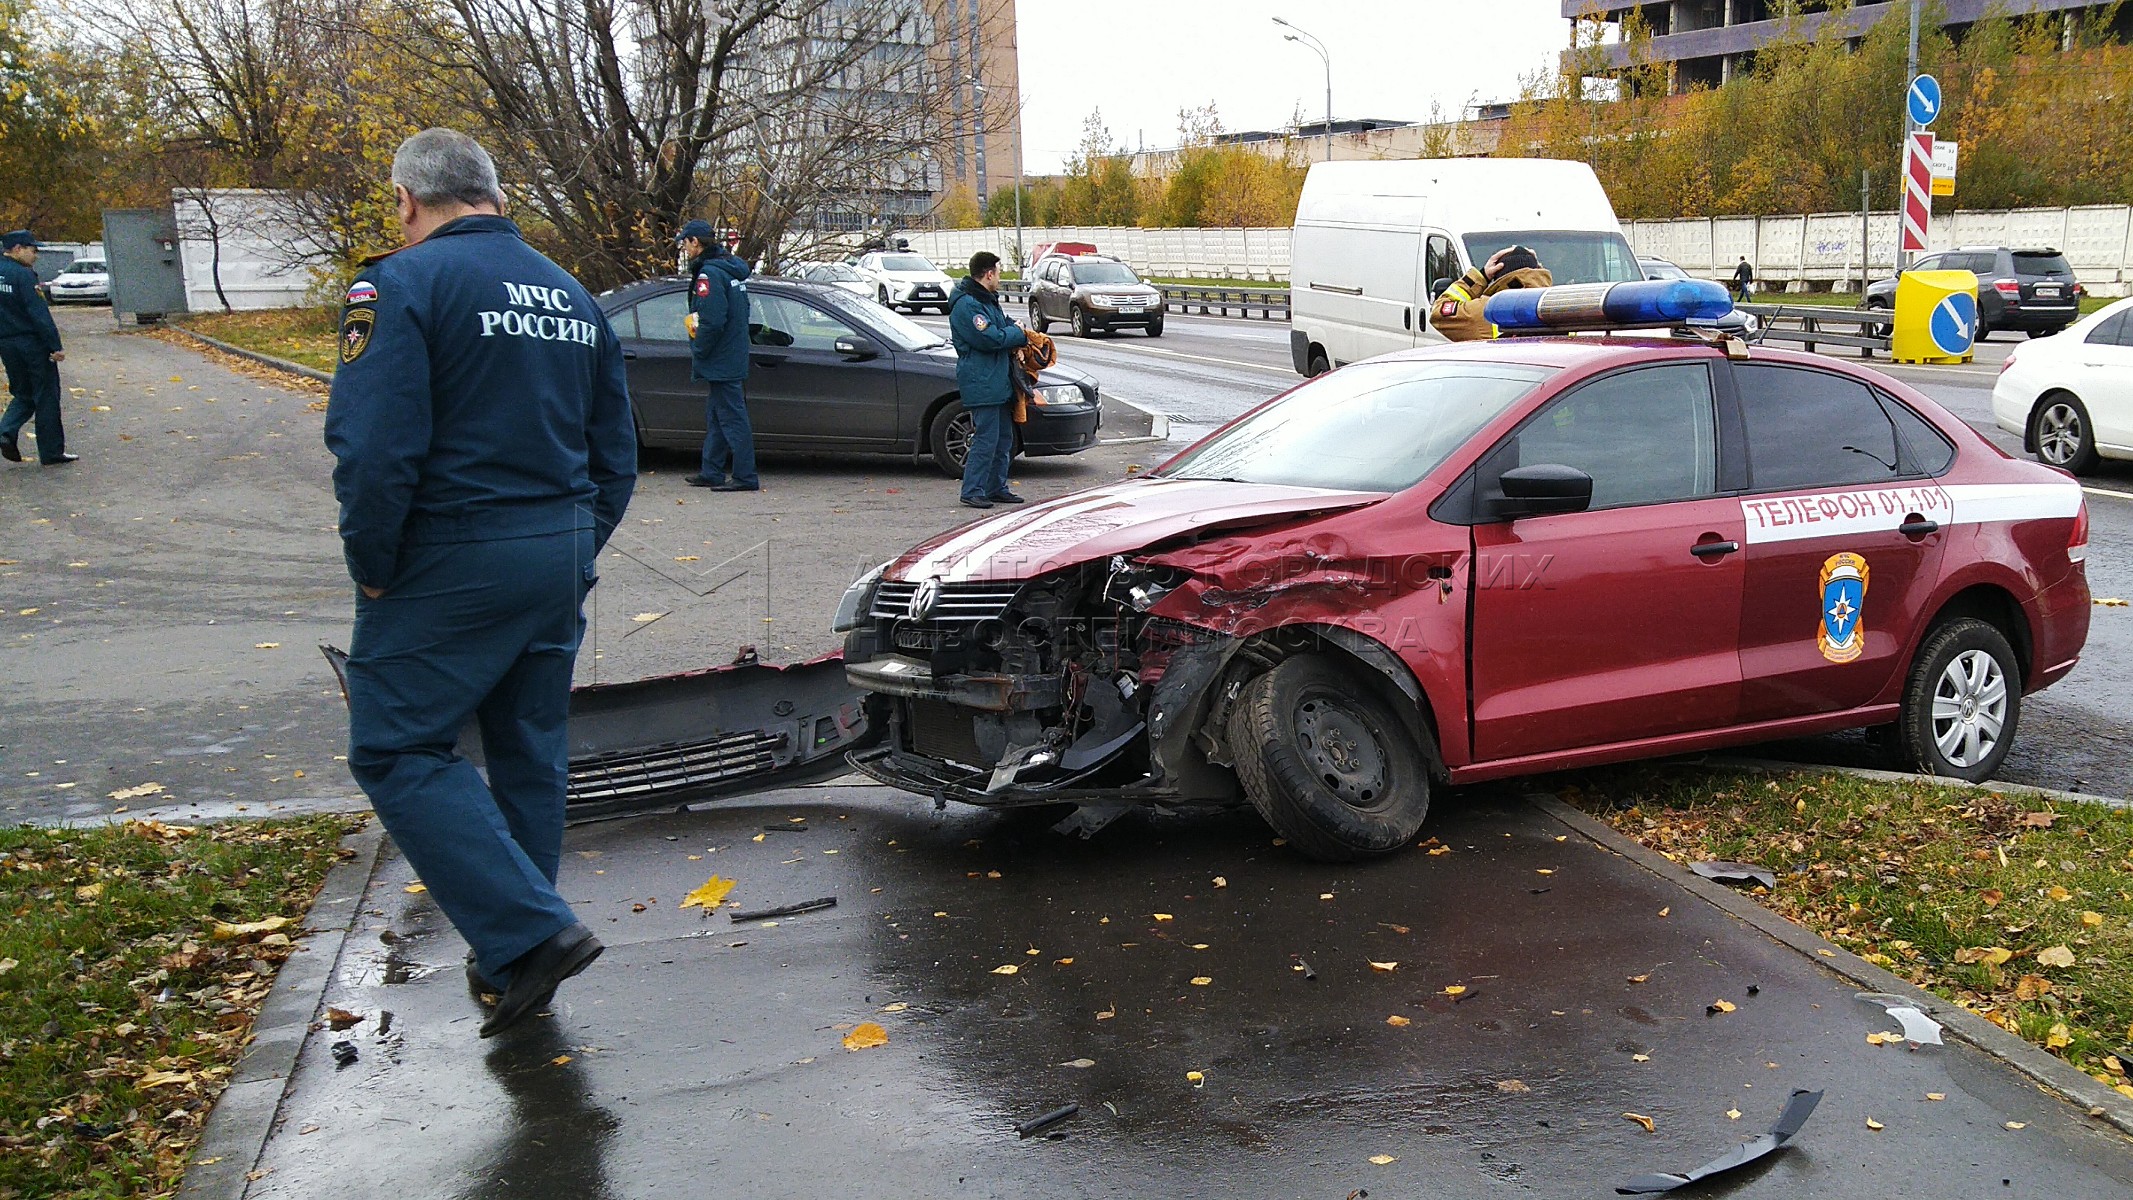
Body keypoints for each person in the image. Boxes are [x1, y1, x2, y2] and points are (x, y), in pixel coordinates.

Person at [323, 128, 637, 1038]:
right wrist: (574, 544)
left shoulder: (399, 282)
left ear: (408, 203)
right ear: (494, 195)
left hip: (448, 557)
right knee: (526, 748)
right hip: (555, 549)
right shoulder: (573, 296)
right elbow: (613, 454)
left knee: (395, 748)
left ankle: (529, 935)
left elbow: (372, 449)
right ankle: (511, 957)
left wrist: (375, 564)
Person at [679, 219, 757, 491]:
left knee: (732, 417)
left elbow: (712, 320)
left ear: (695, 242)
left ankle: (745, 476)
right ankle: (711, 470)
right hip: (731, 353)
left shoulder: (709, 274)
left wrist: (699, 349)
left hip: (720, 357)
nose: (684, 248)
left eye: (685, 242)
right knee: (717, 414)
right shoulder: (731, 269)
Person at [948, 250, 1027, 509]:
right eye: (999, 272)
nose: (1000, 277)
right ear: (989, 273)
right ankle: (972, 490)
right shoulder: (968, 305)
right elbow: (990, 338)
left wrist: (1012, 329)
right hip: (982, 382)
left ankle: (995, 486)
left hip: (996, 381)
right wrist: (1017, 333)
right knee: (985, 439)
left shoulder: (987, 300)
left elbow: (1003, 324)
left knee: (1003, 438)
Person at [0, 230, 74, 466]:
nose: (36, 256)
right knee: (46, 396)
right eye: (33, 250)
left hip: (6, 344)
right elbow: (38, 313)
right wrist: (55, 346)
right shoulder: (24, 275)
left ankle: (5, 431)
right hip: (31, 344)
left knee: (23, 393)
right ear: (18, 248)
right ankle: (51, 451)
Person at [1432, 245, 1553, 342]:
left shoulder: (1485, 311)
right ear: (1538, 271)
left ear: (1499, 277)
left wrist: (1482, 276)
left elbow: (1439, 314)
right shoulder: (1559, 305)